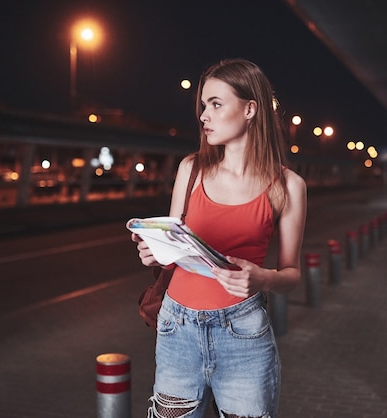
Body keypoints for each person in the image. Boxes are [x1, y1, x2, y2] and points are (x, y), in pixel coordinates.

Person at [131, 58, 307, 418]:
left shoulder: (288, 186)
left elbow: (291, 275)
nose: (203, 116)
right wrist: (155, 252)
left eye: (215, 104)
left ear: (249, 109)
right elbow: (174, 245)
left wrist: (262, 278)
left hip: (242, 333)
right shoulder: (190, 169)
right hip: (176, 328)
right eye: (202, 106)